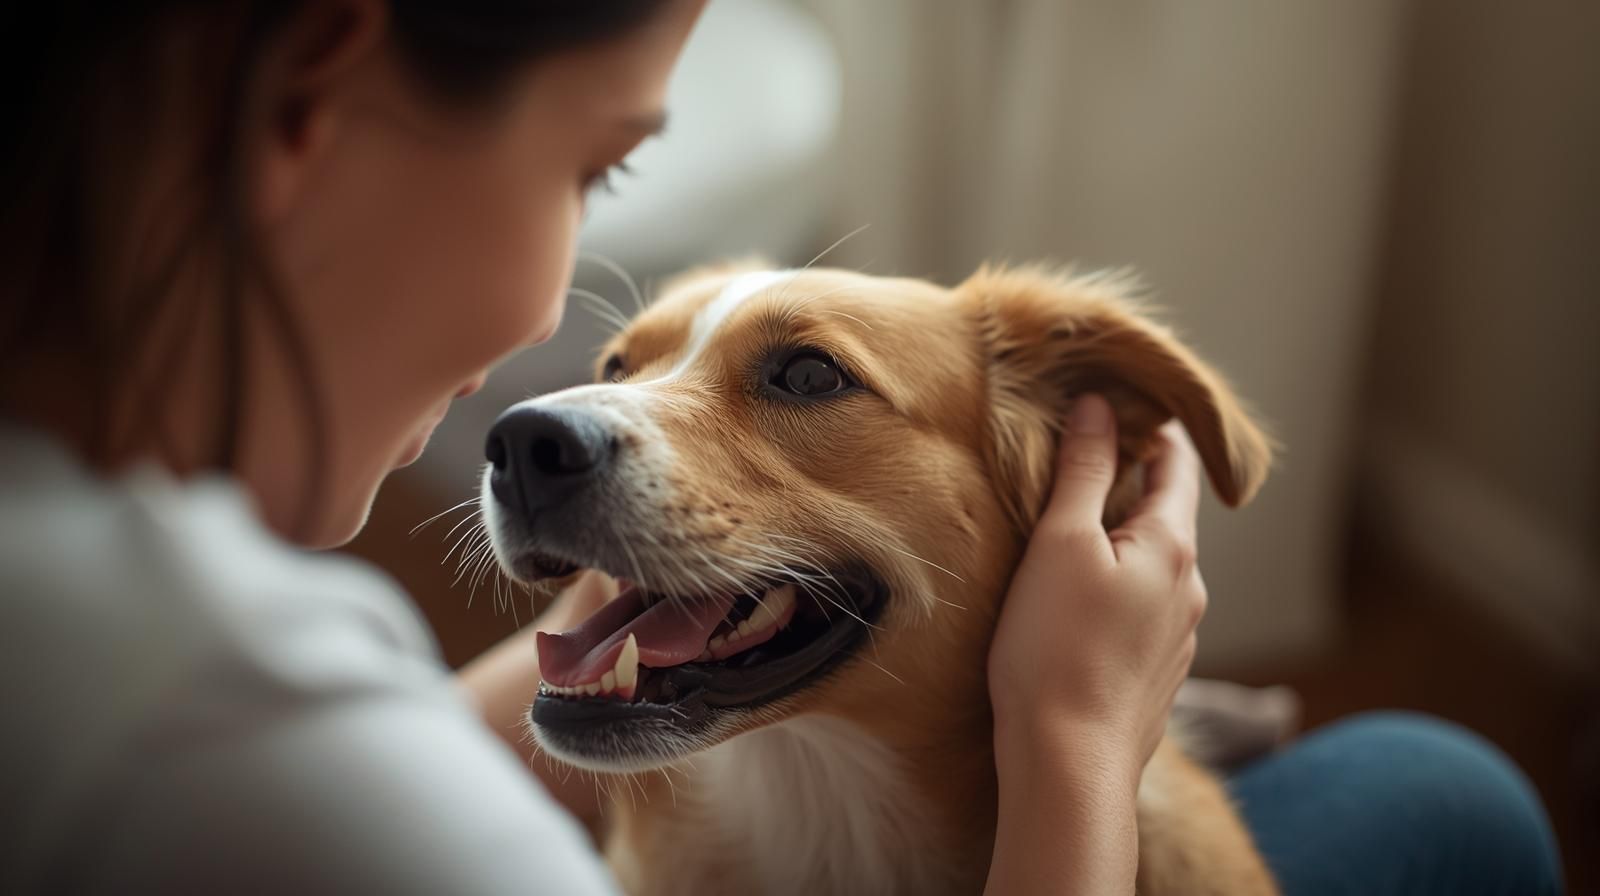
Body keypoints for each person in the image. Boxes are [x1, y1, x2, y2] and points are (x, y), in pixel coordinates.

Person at [0, 2, 1561, 893]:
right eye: (598, 165)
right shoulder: (306, 794)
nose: (575, 411)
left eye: (802, 377)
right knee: (1445, 798)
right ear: (306, 100)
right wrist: (1079, 740)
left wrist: (640, 610)